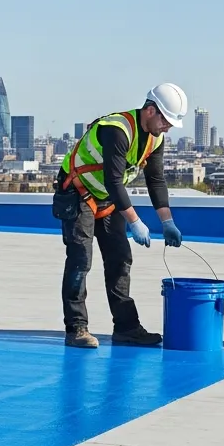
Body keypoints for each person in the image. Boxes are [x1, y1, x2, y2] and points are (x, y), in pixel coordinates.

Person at [52, 84, 187, 349]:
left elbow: (156, 180)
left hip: (106, 198)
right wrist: (135, 222)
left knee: (120, 259)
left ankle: (127, 328)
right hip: (78, 192)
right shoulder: (117, 129)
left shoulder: (155, 138)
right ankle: (76, 328)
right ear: (150, 110)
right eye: (166, 121)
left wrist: (167, 221)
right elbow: (114, 182)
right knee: (81, 259)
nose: (168, 128)